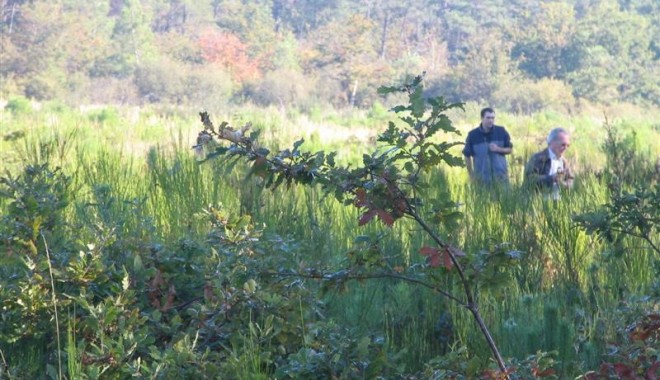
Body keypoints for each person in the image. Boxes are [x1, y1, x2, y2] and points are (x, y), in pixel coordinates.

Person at [462, 107, 513, 185]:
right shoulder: (473, 135)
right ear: (482, 118)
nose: (491, 120)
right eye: (488, 118)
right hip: (481, 179)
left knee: (504, 197)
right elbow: (466, 155)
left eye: (492, 118)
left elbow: (510, 149)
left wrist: (498, 149)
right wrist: (471, 175)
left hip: (501, 178)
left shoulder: (501, 131)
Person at [524, 128, 574, 195]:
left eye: (568, 145)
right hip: (537, 200)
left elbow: (570, 180)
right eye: (563, 145)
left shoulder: (564, 162)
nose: (565, 148)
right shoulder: (537, 158)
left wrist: (564, 185)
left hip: (558, 201)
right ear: (552, 143)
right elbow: (529, 179)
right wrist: (551, 178)